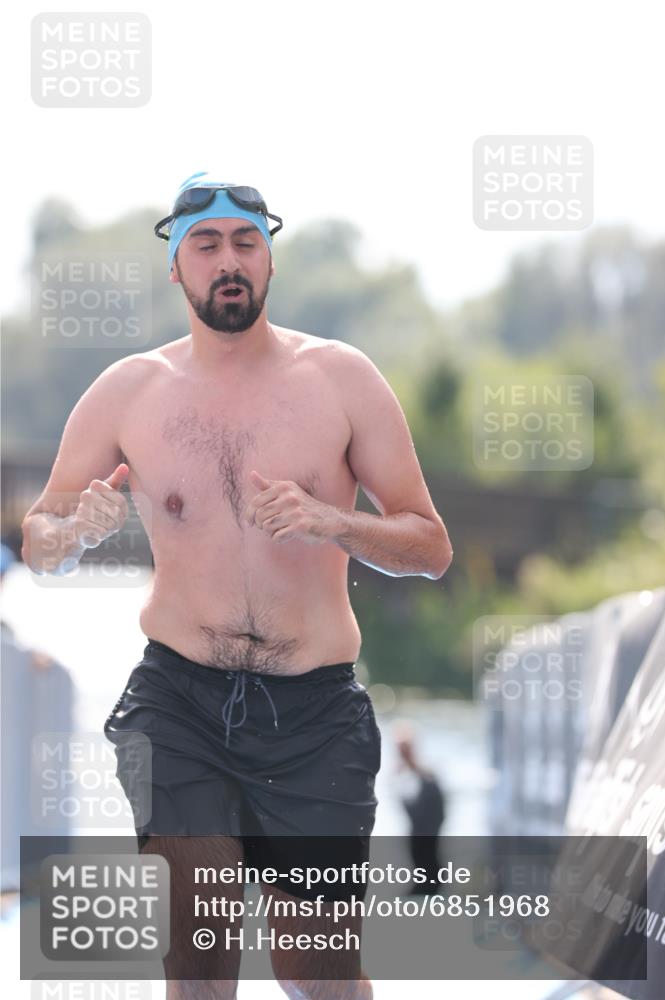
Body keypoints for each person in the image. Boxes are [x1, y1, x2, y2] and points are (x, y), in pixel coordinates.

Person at [21, 174, 453, 999]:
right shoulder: (127, 391)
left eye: (245, 244)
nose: (229, 262)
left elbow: (429, 546)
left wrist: (337, 524)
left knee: (316, 978)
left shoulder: (342, 380)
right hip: (178, 702)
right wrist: (72, 532)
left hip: (315, 713)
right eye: (207, 245)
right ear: (176, 266)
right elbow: (39, 541)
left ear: (269, 261)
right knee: (199, 964)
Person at [393, 722, 447, 895]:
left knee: (427, 854)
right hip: (420, 825)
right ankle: (425, 883)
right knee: (419, 852)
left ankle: (430, 883)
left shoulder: (424, 770)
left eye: (403, 749)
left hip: (428, 825)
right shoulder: (404, 771)